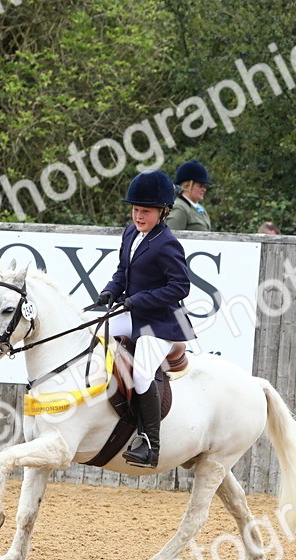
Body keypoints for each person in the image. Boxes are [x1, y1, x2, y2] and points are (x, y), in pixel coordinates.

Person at [95, 170, 196, 468]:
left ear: (163, 212)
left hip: (162, 323)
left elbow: (180, 286)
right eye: (136, 209)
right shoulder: (130, 232)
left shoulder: (166, 243)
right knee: (95, 334)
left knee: (141, 373)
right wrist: (109, 291)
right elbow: (122, 272)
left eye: (146, 211)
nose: (139, 216)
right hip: (134, 313)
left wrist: (138, 299)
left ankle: (151, 443)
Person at [166, 160, 212, 232]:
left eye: (204, 186)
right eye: (200, 186)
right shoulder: (179, 208)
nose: (204, 189)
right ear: (187, 186)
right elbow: (171, 238)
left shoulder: (199, 208)